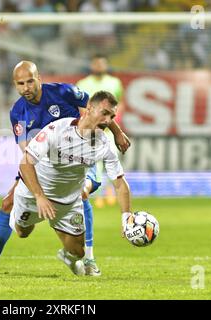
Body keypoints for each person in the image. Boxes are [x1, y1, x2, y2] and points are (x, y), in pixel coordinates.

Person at [0, 61, 130, 276]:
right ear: (15, 85)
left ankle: (89, 259)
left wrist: (117, 132)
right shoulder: (18, 112)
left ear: (39, 78)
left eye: (30, 81)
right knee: (8, 204)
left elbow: (97, 109)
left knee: (82, 193)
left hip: (79, 159)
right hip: (45, 160)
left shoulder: (63, 91)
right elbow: (25, 148)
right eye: (21, 83)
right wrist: (36, 182)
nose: (26, 88)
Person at [10, 90, 132, 275]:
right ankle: (17, 216)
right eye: (104, 113)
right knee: (22, 232)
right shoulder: (56, 130)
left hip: (69, 202)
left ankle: (68, 258)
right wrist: (39, 196)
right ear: (89, 108)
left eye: (112, 116)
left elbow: (120, 184)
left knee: (78, 251)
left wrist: (126, 217)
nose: (108, 121)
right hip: (33, 196)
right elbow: (26, 163)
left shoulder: (104, 145)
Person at [77, 54, 125, 211]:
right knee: (95, 164)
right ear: (92, 65)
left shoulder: (115, 82)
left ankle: (110, 191)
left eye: (102, 64)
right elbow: (80, 107)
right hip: (90, 131)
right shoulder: (82, 83)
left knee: (112, 160)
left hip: (108, 129)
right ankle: (98, 195)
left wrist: (115, 123)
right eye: (96, 64)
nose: (99, 66)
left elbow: (120, 103)